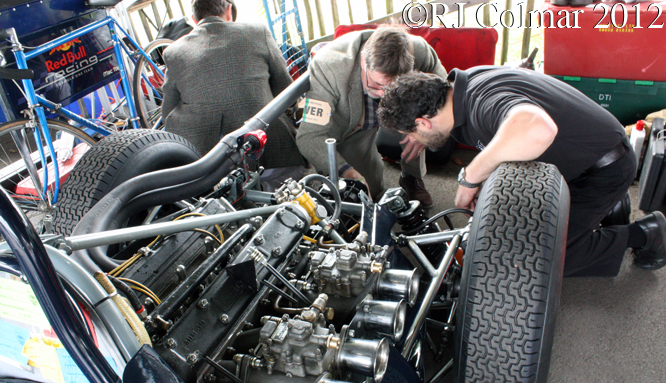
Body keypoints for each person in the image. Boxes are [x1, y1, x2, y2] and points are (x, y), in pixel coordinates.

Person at [377, 68, 666, 276]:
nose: (415, 140)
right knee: (516, 221)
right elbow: (508, 143)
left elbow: (538, 128)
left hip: (603, 169)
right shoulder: (462, 87)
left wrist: (471, 175)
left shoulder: (481, 104)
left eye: (410, 133)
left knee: (537, 261)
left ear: (424, 123)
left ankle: (646, 234)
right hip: (582, 156)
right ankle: (610, 208)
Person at [296, 26, 448, 207]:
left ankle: (411, 177)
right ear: (363, 61)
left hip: (393, 115)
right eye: (377, 85)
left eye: (393, 87)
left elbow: (444, 91)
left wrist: (423, 132)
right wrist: (347, 172)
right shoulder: (329, 68)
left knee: (422, 117)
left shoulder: (419, 50)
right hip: (352, 127)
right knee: (364, 192)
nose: (385, 96)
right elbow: (309, 136)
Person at [161, 0, 306, 190]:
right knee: (291, 182)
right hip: (272, 153)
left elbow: (167, 113)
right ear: (229, 10)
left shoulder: (174, 52)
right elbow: (287, 93)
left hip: (206, 168)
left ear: (194, 19)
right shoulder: (258, 32)